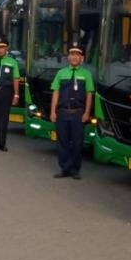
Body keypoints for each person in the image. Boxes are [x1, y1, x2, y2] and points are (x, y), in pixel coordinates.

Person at [50, 42, 94, 180]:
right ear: (68, 57)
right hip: (62, 112)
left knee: (77, 142)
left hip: (78, 113)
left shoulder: (86, 74)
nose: (74, 57)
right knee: (62, 142)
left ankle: (75, 169)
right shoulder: (61, 73)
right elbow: (56, 93)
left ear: (82, 58)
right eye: (72, 54)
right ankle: (65, 168)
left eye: (78, 55)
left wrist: (87, 112)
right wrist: (53, 111)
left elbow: (89, 94)